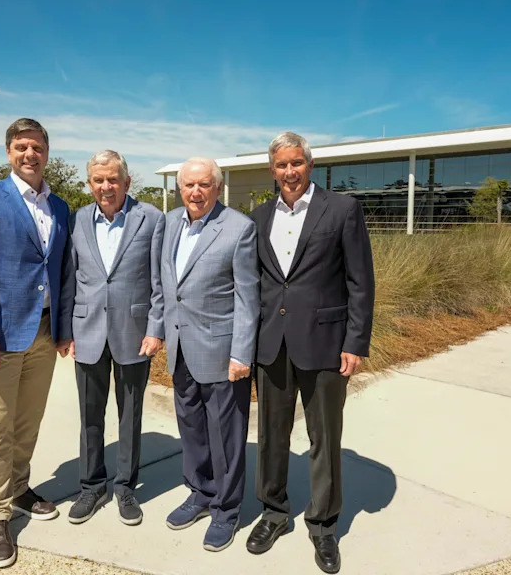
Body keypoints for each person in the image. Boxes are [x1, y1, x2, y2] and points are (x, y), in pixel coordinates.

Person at [245, 132, 375, 574]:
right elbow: (260, 285)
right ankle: (274, 513)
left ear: (310, 165)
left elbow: (361, 281)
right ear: (272, 169)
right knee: (270, 438)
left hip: (325, 345)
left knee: (324, 440)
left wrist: (356, 342)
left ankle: (323, 525)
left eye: (296, 163)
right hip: (272, 345)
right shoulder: (259, 216)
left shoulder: (342, 209)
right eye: (281, 165)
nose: (289, 172)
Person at [0, 118, 74, 569]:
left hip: (44, 334)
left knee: (27, 422)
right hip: (0, 339)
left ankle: (19, 488)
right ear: (9, 152)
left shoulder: (59, 208)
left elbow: (60, 272)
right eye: (21, 147)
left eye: (37, 147)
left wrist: (63, 329)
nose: (30, 154)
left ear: (47, 152)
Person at [59, 150, 165, 526]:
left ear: (126, 182)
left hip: (134, 333)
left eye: (113, 179)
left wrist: (156, 328)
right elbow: (69, 279)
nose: (106, 186)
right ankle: (91, 486)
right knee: (90, 415)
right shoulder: (77, 220)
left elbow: (160, 281)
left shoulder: (151, 219)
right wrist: (64, 331)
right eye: (98, 180)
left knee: (130, 415)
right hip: (86, 331)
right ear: (89, 184)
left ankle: (125, 487)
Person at [160, 157, 259, 552]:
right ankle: (200, 493)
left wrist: (241, 354)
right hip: (181, 348)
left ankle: (227, 509)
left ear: (217, 188)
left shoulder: (238, 228)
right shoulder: (168, 224)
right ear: (180, 188)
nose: (195, 192)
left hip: (222, 352)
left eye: (203, 185)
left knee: (226, 436)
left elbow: (247, 299)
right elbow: (167, 286)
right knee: (192, 430)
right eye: (188, 185)